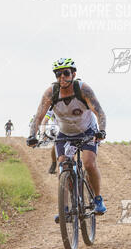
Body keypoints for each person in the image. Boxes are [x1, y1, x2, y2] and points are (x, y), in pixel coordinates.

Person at [26, 57, 107, 218]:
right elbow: (39, 116)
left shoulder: (83, 90)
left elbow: (100, 113)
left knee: (89, 164)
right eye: (58, 74)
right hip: (65, 134)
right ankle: (67, 206)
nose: (61, 77)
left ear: (73, 74)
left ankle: (97, 199)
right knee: (62, 166)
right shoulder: (51, 92)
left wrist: (101, 131)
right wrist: (32, 135)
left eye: (65, 73)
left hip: (87, 131)